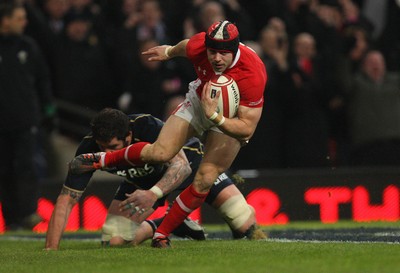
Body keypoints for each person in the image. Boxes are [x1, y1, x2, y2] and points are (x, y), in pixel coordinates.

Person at [71, 20, 267, 248]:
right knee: (160, 152)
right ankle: (101, 160)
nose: (216, 59)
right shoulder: (199, 46)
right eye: (212, 52)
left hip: (229, 118)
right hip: (199, 101)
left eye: (223, 54)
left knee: (207, 181)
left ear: (234, 50)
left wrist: (215, 117)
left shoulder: (252, 72)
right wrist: (169, 51)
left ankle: (161, 232)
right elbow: (186, 46)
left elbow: (247, 127)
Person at [45, 108, 265, 250]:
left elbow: (181, 167)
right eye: (101, 147)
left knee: (246, 226)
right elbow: (66, 200)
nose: (105, 153)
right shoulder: (88, 150)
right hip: (142, 181)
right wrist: (50, 250)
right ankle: (169, 225)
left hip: (193, 166)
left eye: (111, 148)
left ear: (129, 136)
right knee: (115, 243)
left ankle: (234, 211)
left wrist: (153, 194)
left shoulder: (148, 127)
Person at [0, 2, 55, 230]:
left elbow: (43, 80)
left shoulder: (28, 46)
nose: (25, 22)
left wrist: (49, 111)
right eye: (20, 18)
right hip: (1, 123)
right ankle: (12, 218)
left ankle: (28, 213)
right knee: (3, 169)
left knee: (26, 166)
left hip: (26, 120)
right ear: (5, 20)